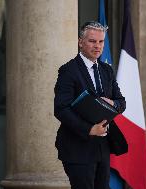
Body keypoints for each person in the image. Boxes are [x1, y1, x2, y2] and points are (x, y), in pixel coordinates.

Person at [54, 21, 126, 189]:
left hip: (103, 148)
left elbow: (121, 102)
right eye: (92, 41)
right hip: (77, 147)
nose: (98, 46)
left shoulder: (106, 70)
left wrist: (113, 103)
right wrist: (89, 129)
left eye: (101, 42)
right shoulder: (68, 71)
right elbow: (61, 109)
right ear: (81, 42)